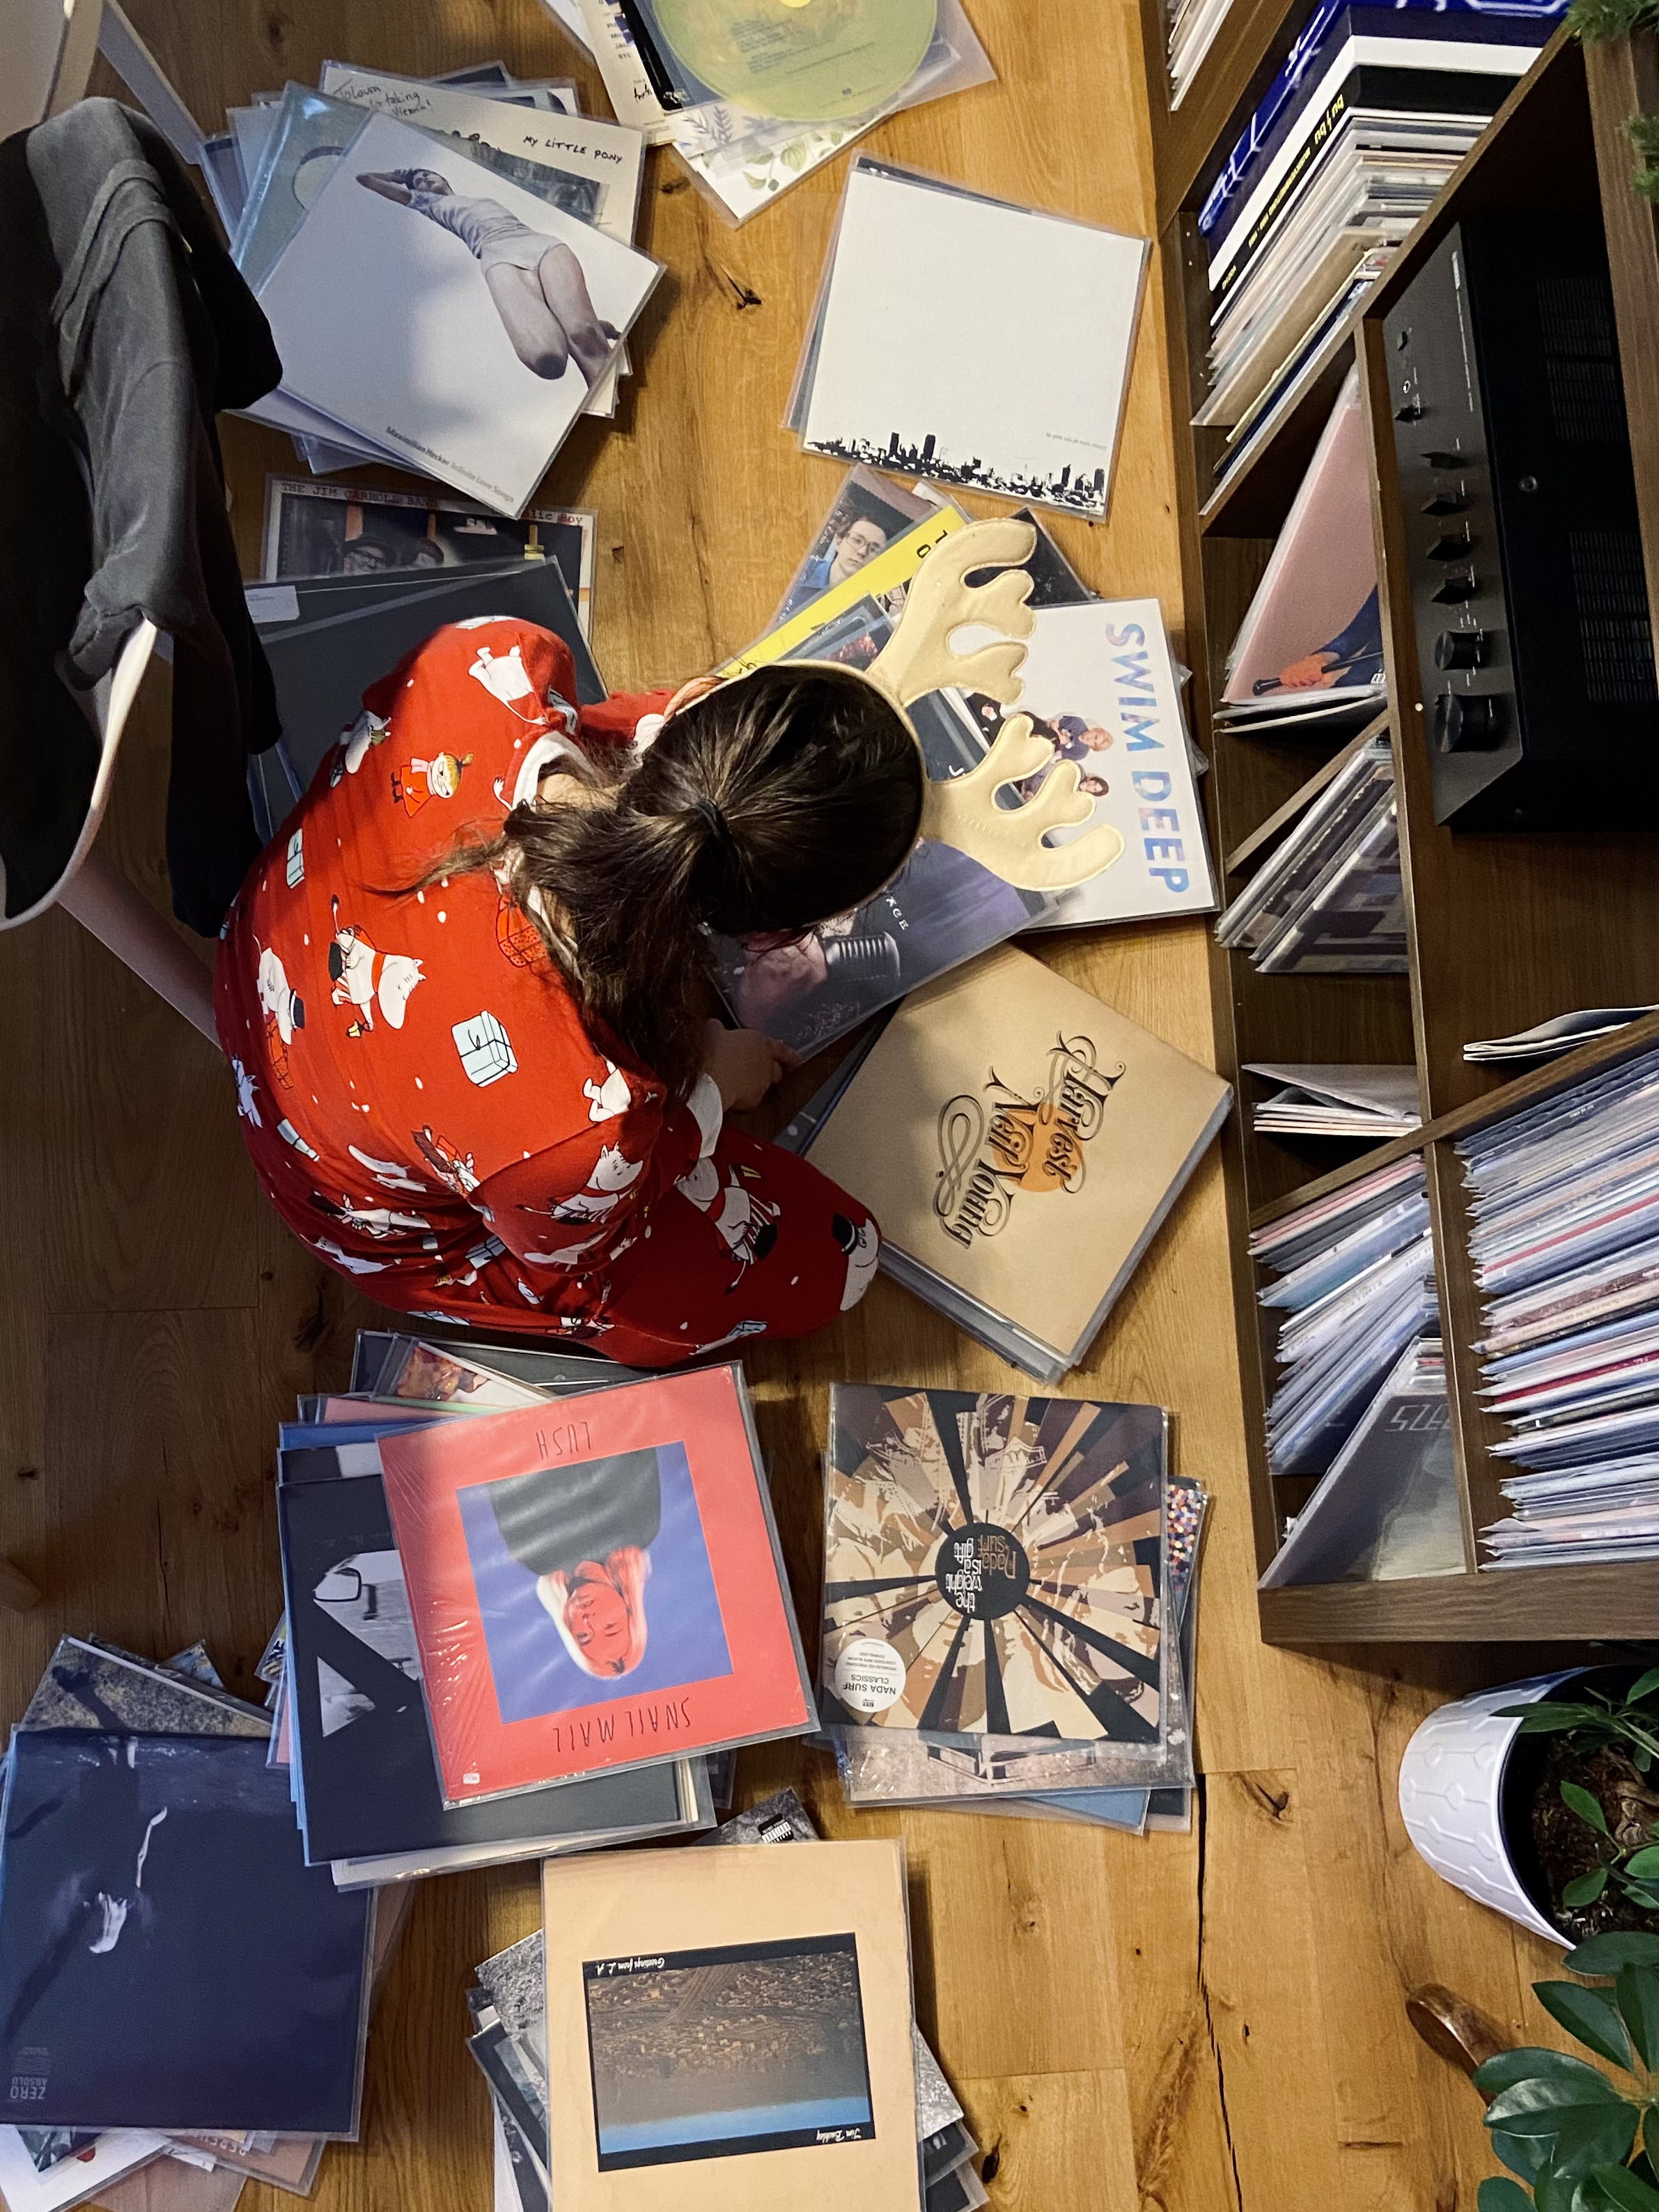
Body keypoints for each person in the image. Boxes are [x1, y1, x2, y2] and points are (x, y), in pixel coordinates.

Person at [216, 620, 919, 1364]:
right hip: (365, 1211)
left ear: (690, 702)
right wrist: (709, 1089)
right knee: (845, 1256)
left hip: (262, 945)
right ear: (767, 936)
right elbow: (564, 1253)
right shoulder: (587, 1131)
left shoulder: (487, 660)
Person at [357, 169, 620, 386]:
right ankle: (578, 322)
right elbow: (366, 180)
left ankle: (586, 333)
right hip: (499, 257)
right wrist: (400, 176)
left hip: (541, 245)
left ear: (445, 179)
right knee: (547, 359)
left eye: (427, 176)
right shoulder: (429, 204)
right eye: (418, 182)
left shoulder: (480, 199)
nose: (424, 181)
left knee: (584, 335)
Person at [486, 1449, 661, 1677]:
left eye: (583, 1636)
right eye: (610, 1627)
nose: (589, 1621)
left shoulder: (535, 1557)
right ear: (628, 1607)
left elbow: (495, 1465)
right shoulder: (640, 1527)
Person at [781, 511, 890, 618]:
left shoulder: (871, 611)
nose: (862, 552)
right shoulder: (796, 570)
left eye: (874, 549)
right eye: (857, 540)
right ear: (839, 542)